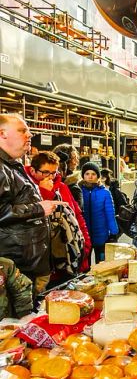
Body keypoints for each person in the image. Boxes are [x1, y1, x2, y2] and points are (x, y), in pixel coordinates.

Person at [0, 114, 66, 292]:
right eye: (22, 131)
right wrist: (39, 208)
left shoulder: (13, 164)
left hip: (28, 262)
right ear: (2, 134)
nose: (29, 135)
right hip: (17, 266)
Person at [26, 151, 91, 275]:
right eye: (45, 172)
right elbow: (35, 220)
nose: (50, 177)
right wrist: (44, 192)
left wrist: (86, 244)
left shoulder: (62, 187)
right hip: (45, 263)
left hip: (71, 256)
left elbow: (77, 215)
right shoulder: (27, 189)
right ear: (33, 171)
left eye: (54, 172)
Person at [80, 162, 118, 263]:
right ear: (83, 175)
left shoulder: (105, 193)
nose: (90, 177)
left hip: (101, 234)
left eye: (93, 174)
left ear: (98, 176)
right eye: (87, 174)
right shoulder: (79, 192)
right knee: (85, 264)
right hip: (84, 234)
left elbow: (110, 214)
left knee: (101, 263)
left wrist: (113, 232)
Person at [53, 144, 83, 210]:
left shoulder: (74, 186)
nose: (77, 162)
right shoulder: (73, 187)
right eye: (74, 158)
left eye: (77, 158)